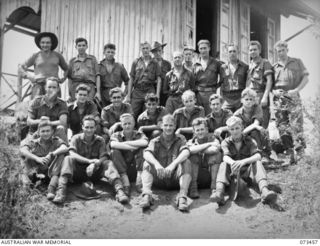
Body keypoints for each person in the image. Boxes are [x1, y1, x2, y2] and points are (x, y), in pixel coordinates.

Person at [53, 115, 129, 204]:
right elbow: (72, 153)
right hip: (78, 172)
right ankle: (61, 191)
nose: (89, 130)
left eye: (91, 127)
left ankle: (119, 190)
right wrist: (89, 161)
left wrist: (95, 164)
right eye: (87, 127)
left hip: (95, 172)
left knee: (108, 163)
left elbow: (104, 156)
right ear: (82, 127)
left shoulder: (100, 140)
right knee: (68, 159)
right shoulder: (76, 138)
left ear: (95, 128)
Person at [210, 116, 277, 206]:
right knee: (223, 164)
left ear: (242, 127)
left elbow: (258, 155)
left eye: (237, 128)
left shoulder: (249, 140)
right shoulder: (226, 142)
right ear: (229, 130)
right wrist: (233, 163)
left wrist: (243, 161)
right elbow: (225, 157)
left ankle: (265, 191)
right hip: (233, 173)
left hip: (248, 173)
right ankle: (219, 193)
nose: (235, 131)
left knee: (257, 162)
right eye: (232, 129)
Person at [139, 114, 192, 212]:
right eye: (166, 125)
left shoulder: (180, 139)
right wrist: (156, 164)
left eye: (171, 125)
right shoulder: (155, 140)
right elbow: (146, 153)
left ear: (175, 126)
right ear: (161, 126)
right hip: (159, 177)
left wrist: (173, 164)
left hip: (175, 179)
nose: (168, 128)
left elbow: (186, 152)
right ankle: (147, 195)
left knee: (186, 162)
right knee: (147, 162)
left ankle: (182, 197)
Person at [272, 40, 309, 156]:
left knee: (296, 124)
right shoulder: (274, 67)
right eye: (278, 51)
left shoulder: (297, 62)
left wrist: (297, 90)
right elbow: (269, 85)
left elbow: (306, 78)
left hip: (293, 96)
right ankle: (289, 152)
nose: (281, 53)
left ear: (287, 50)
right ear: (276, 53)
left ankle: (300, 151)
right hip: (279, 98)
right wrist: (274, 91)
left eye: (283, 50)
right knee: (282, 125)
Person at [20, 120, 68, 200]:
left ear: (52, 132)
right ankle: (28, 186)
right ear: (38, 132)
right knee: (25, 157)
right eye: (43, 131)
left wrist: (51, 154)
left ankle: (51, 189)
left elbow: (65, 147)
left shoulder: (56, 141)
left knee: (61, 155)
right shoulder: (33, 142)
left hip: (51, 174)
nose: (46, 133)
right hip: (36, 173)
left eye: (48, 131)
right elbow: (22, 150)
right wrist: (37, 158)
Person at [19, 32, 68, 98]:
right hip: (39, 85)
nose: (45, 45)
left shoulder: (57, 56)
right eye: (43, 42)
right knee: (37, 106)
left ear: (51, 44)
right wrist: (29, 76)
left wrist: (63, 79)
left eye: (48, 42)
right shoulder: (35, 56)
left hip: (53, 85)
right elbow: (21, 67)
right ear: (39, 44)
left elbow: (66, 68)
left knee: (55, 106)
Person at [110, 114, 149, 195]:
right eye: (125, 124)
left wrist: (125, 144)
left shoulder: (139, 134)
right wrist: (134, 146)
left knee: (143, 149)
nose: (127, 126)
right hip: (123, 169)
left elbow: (145, 142)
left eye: (129, 123)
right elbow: (113, 144)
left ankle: (140, 181)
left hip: (137, 168)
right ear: (121, 125)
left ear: (134, 124)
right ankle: (125, 183)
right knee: (114, 151)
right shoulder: (116, 135)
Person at [233, 88, 272, 164]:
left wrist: (255, 127)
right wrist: (254, 127)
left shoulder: (257, 108)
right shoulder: (237, 114)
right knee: (254, 130)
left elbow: (256, 124)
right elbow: (239, 132)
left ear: (254, 101)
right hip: (242, 136)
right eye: (246, 99)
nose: (249, 102)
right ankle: (248, 155)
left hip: (256, 135)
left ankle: (263, 154)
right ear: (241, 100)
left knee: (258, 131)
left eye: (251, 99)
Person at [187, 118, 222, 199]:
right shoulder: (191, 141)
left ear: (206, 129)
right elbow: (190, 150)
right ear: (194, 131)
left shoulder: (213, 138)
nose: (200, 132)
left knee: (216, 155)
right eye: (197, 130)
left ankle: (214, 189)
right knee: (192, 156)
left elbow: (215, 149)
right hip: (197, 177)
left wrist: (198, 149)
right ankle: (193, 188)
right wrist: (209, 144)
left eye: (202, 129)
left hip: (211, 175)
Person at [126, 42, 161, 118]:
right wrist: (128, 95)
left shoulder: (155, 63)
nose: (145, 50)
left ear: (150, 50)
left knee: (149, 113)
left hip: (149, 90)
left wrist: (157, 94)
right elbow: (131, 78)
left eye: (147, 48)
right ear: (141, 50)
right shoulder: (136, 62)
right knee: (132, 113)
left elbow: (159, 79)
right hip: (137, 91)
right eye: (143, 48)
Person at [27, 77, 68, 142]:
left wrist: (49, 123)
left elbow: (63, 122)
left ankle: (64, 150)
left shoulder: (62, 103)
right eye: (49, 87)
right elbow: (29, 121)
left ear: (58, 89)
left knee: (61, 129)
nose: (51, 89)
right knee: (25, 149)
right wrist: (40, 121)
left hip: (53, 133)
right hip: (36, 132)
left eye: (54, 87)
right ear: (45, 88)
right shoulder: (36, 101)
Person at [246, 41, 273, 128]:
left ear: (259, 51)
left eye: (255, 49)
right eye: (250, 50)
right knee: (251, 122)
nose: (252, 52)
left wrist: (265, 97)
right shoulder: (249, 64)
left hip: (260, 95)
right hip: (250, 97)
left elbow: (269, 81)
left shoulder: (265, 63)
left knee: (262, 121)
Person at [193, 39, 223, 115]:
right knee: (199, 116)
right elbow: (192, 80)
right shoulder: (195, 64)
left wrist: (216, 87)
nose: (203, 50)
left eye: (205, 48)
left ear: (209, 48)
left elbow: (223, 78)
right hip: (198, 94)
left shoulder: (216, 63)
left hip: (211, 93)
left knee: (210, 115)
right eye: (201, 48)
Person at [67, 37, 100, 102]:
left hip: (90, 87)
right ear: (76, 47)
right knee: (76, 106)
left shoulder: (92, 59)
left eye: (83, 45)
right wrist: (69, 94)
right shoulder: (72, 61)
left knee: (89, 106)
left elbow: (97, 76)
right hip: (76, 87)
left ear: (86, 46)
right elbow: (70, 79)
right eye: (79, 45)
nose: (81, 47)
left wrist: (98, 92)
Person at [220, 44, 248, 112]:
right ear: (227, 53)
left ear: (238, 52)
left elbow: (247, 83)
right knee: (225, 117)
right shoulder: (222, 67)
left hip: (240, 97)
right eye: (230, 51)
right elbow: (220, 83)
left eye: (234, 51)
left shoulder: (244, 67)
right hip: (227, 98)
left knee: (240, 119)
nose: (232, 53)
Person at [150, 41, 172, 106]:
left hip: (164, 92)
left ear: (163, 51)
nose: (158, 53)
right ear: (152, 53)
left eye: (159, 51)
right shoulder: (149, 63)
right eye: (155, 51)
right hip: (152, 91)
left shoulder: (167, 64)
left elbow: (170, 78)